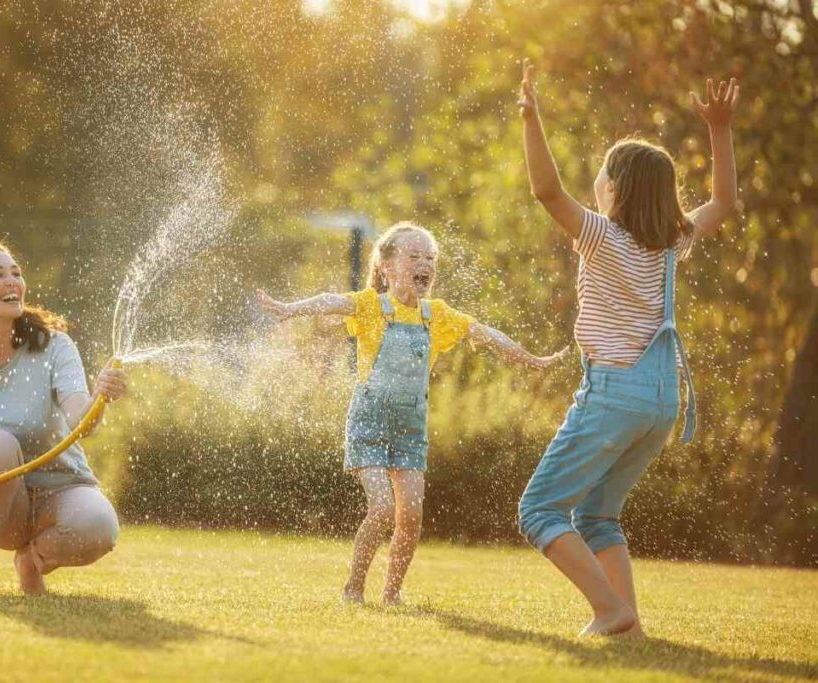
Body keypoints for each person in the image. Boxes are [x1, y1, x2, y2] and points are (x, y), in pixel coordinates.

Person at [516, 59, 739, 635]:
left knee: (539, 509)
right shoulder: (671, 243)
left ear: (612, 189)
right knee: (597, 513)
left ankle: (608, 608)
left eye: (601, 174)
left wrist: (532, 120)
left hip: (613, 394)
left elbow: (545, 190)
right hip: (660, 404)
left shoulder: (602, 234)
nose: (595, 181)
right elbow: (723, 203)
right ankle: (629, 625)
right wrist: (719, 129)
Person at [259, 222, 565, 606]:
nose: (425, 264)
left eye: (430, 258)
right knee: (383, 508)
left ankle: (392, 593)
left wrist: (531, 359)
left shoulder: (435, 315)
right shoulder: (371, 306)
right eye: (414, 256)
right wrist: (290, 310)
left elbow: (485, 333)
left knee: (412, 515)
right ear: (386, 267)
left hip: (410, 428)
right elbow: (330, 301)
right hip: (369, 423)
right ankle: (353, 587)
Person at [0, 240, 127, 595]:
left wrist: (99, 399)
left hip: (64, 488)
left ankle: (32, 561)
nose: (12, 281)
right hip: (2, 509)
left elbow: (82, 421)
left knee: (100, 526)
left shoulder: (55, 346)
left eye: (16, 273)